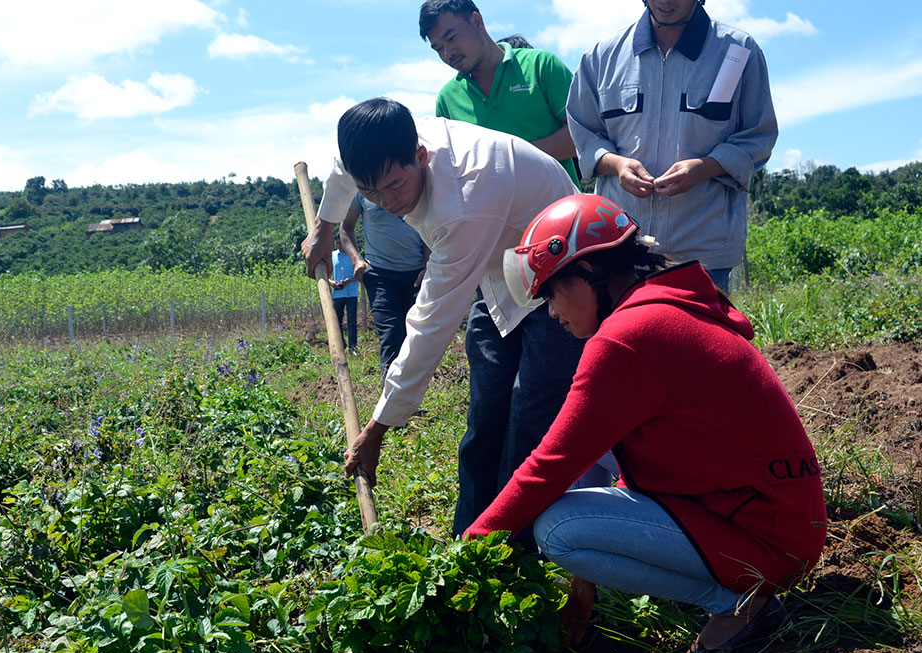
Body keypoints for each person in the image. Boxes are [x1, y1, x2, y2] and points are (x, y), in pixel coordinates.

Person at [465, 193, 827, 653]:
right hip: (779, 516)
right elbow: (596, 453)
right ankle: (741, 597)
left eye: (552, 292)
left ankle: (737, 606)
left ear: (592, 273)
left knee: (558, 528)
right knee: (585, 468)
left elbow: (549, 466)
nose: (551, 311)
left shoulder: (627, 336)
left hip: (767, 539)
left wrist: (468, 549)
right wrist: (584, 580)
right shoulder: (663, 307)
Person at [300, 98, 618, 547]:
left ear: (421, 156)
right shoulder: (372, 158)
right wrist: (325, 227)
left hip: (559, 270)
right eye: (370, 193)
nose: (387, 203)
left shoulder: (464, 201)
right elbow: (338, 171)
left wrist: (378, 428)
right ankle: (466, 542)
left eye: (395, 186)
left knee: (529, 414)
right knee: (485, 415)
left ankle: (512, 553)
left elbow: (431, 323)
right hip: (496, 264)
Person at [566, 0, 778, 292]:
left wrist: (705, 167)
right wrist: (618, 164)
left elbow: (759, 136)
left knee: (696, 338)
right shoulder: (602, 57)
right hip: (621, 251)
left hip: (701, 252)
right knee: (624, 338)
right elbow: (584, 133)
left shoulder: (738, 51)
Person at [420, 0, 580, 185]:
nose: (448, 53)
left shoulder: (541, 65)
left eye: (452, 38)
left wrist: (511, 159)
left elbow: (584, 133)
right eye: (438, 48)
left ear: (477, 22)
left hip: (559, 209)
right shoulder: (446, 100)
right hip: (488, 214)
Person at [338, 193, 429, 380]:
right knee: (391, 334)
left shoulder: (412, 182)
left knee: (415, 336)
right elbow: (346, 228)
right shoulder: (361, 190)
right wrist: (357, 261)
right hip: (380, 274)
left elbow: (430, 226)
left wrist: (429, 265)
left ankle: (409, 397)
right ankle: (393, 399)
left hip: (416, 275)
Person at [329, 247, 359, 354]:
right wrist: (332, 283)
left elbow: (361, 273)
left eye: (341, 242)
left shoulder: (354, 254)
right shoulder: (332, 256)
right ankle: (341, 345)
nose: (339, 245)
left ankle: (353, 347)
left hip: (351, 293)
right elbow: (326, 274)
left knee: (352, 321)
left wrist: (349, 281)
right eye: (337, 242)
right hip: (338, 294)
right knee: (337, 321)